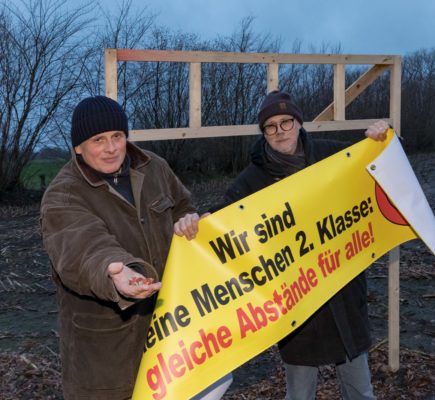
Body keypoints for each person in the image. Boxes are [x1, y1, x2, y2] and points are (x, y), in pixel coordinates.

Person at [220, 90, 388, 400]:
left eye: (286, 122)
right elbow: (222, 225)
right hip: (296, 304)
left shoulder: (332, 156)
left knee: (361, 392)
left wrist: (382, 141)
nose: (280, 131)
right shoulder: (252, 181)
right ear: (263, 132)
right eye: (271, 126)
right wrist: (199, 224)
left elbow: (383, 166)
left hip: (343, 293)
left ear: (299, 123)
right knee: (298, 395)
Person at [40, 95, 208, 399]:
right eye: (98, 139)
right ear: (78, 147)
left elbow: (183, 205)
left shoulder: (154, 167)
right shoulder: (62, 196)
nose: (111, 147)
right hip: (107, 355)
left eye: (117, 136)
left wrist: (189, 222)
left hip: (171, 333)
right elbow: (83, 245)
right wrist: (113, 271)